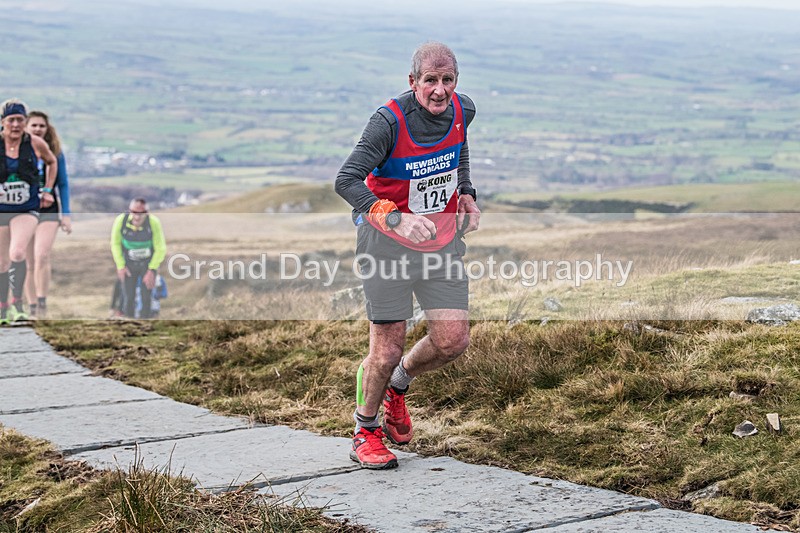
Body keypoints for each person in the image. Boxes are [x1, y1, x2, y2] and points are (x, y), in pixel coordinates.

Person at [334, 42, 480, 469]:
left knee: (453, 340)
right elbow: (346, 181)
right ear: (412, 81)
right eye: (430, 81)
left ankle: (399, 386)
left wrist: (467, 192)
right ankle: (365, 431)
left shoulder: (462, 110)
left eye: (447, 80)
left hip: (441, 242)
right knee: (385, 350)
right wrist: (395, 218)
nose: (440, 91)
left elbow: (459, 150)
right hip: (387, 248)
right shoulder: (388, 122)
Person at [0, 99, 57, 325]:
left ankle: (18, 305)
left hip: (26, 208)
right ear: (3, 122)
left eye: (20, 120)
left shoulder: (34, 143)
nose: (16, 125)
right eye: (11, 120)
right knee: (2, 263)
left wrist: (47, 190)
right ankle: (3, 309)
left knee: (18, 253)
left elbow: (52, 162)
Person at [24, 110, 72, 318]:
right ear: (26, 127)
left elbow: (63, 184)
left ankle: (42, 302)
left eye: (41, 126)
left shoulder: (55, 152)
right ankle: (32, 304)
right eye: (33, 125)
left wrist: (67, 214)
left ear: (47, 128)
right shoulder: (16, 151)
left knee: (41, 254)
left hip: (48, 210)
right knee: (26, 262)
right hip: (24, 210)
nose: (38, 129)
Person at [110, 198, 166, 319]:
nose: (137, 217)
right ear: (130, 211)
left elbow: (160, 248)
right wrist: (121, 266)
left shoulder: (153, 223)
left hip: (147, 264)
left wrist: (152, 269)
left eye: (141, 213)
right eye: (134, 212)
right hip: (128, 264)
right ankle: (129, 324)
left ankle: (145, 324)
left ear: (147, 212)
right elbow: (115, 244)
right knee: (128, 297)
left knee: (146, 297)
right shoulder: (121, 221)